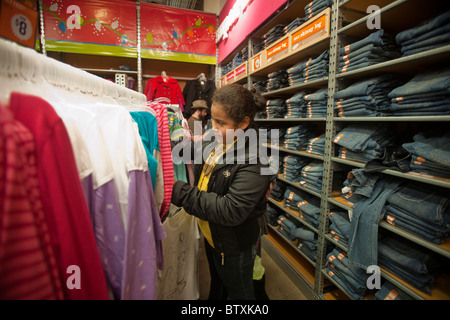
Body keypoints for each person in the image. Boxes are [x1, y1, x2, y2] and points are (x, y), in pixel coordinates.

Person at [171, 84, 273, 300]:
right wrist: (165, 140)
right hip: (212, 235)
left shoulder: (256, 158)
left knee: (240, 293)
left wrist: (179, 191)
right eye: (213, 120)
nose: (213, 127)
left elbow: (231, 210)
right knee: (218, 281)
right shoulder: (217, 138)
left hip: (233, 243)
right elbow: (193, 151)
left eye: (221, 123)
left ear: (244, 123)